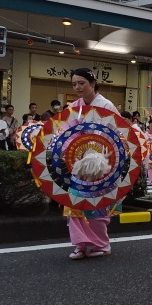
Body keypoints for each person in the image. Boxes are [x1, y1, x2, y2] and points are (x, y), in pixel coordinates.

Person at [65, 68, 121, 259]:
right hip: (78, 161)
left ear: (92, 83)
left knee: (97, 204)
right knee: (74, 204)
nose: (77, 87)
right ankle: (80, 244)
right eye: (74, 84)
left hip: (101, 161)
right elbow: (65, 132)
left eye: (81, 83)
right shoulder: (73, 107)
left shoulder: (107, 106)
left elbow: (116, 134)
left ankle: (101, 244)